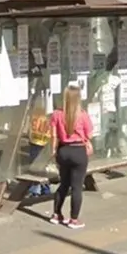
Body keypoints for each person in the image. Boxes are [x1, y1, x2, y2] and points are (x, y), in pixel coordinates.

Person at [49, 83, 93, 229]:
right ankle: (74, 220)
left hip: (63, 151)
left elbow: (54, 136)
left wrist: (53, 151)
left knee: (64, 183)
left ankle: (56, 214)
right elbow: (90, 134)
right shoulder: (83, 114)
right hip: (78, 151)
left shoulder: (56, 114)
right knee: (77, 187)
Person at [27, 99, 52, 197]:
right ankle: (44, 188)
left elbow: (30, 127)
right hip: (43, 141)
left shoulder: (34, 113)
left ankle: (36, 189)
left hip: (37, 141)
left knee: (36, 166)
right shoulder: (48, 113)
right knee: (43, 166)